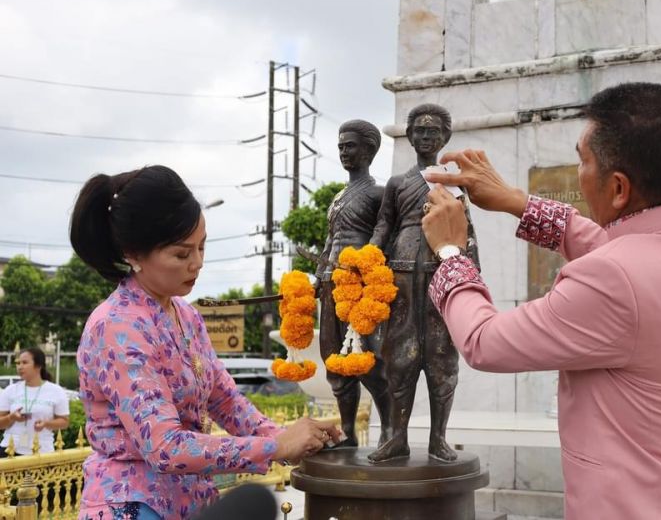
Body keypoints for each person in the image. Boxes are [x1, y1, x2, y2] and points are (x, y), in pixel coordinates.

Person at [421, 82, 661, 519]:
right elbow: (627, 249)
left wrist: (450, 251)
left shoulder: (611, 281)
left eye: (582, 159)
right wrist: (517, 203)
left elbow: (485, 341)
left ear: (618, 188)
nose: (578, 171)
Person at [70, 165, 341, 520]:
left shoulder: (186, 315)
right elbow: (165, 447)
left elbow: (225, 400)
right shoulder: (117, 327)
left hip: (191, 502)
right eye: (182, 254)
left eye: (201, 247)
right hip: (134, 505)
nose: (197, 263)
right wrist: (276, 445)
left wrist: (289, 437)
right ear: (133, 254)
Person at [368, 103, 479, 463]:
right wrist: (368, 257)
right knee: (400, 358)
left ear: (444, 137)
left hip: (441, 272)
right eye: (420, 130)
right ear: (410, 136)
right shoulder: (398, 183)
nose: (426, 137)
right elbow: (384, 225)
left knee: (441, 358)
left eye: (433, 131)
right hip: (400, 276)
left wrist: (471, 272)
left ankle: (438, 439)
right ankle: (396, 437)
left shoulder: (452, 182)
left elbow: (467, 229)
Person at [315, 119, 391, 447]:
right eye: (341, 147)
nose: (344, 152)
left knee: (366, 361)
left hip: (359, 286)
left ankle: (390, 429)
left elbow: (383, 235)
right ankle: (348, 433)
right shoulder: (339, 196)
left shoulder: (378, 193)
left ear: (370, 149)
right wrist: (319, 276)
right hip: (332, 283)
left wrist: (366, 266)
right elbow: (330, 239)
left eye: (351, 146)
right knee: (335, 361)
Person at [0, 346, 69, 455]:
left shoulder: (56, 391)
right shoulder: (10, 390)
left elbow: (64, 422)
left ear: (38, 366)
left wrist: (46, 423)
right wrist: (11, 417)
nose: (20, 367)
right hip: (10, 450)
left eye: (25, 363)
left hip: (41, 451)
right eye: (18, 363)